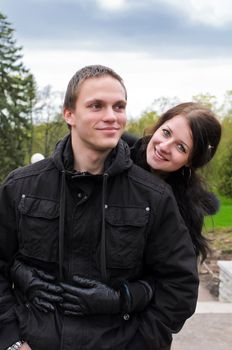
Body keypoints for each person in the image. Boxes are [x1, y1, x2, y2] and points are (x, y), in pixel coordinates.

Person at [0, 65, 199, 350]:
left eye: (119, 107)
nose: (111, 116)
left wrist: (141, 342)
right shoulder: (20, 187)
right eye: (96, 106)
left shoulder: (154, 197)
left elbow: (180, 287)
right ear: (69, 114)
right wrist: (11, 341)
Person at [123, 102, 222, 262]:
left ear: (190, 161)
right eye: (166, 133)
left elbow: (176, 278)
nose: (164, 146)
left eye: (181, 147)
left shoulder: (185, 212)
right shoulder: (113, 163)